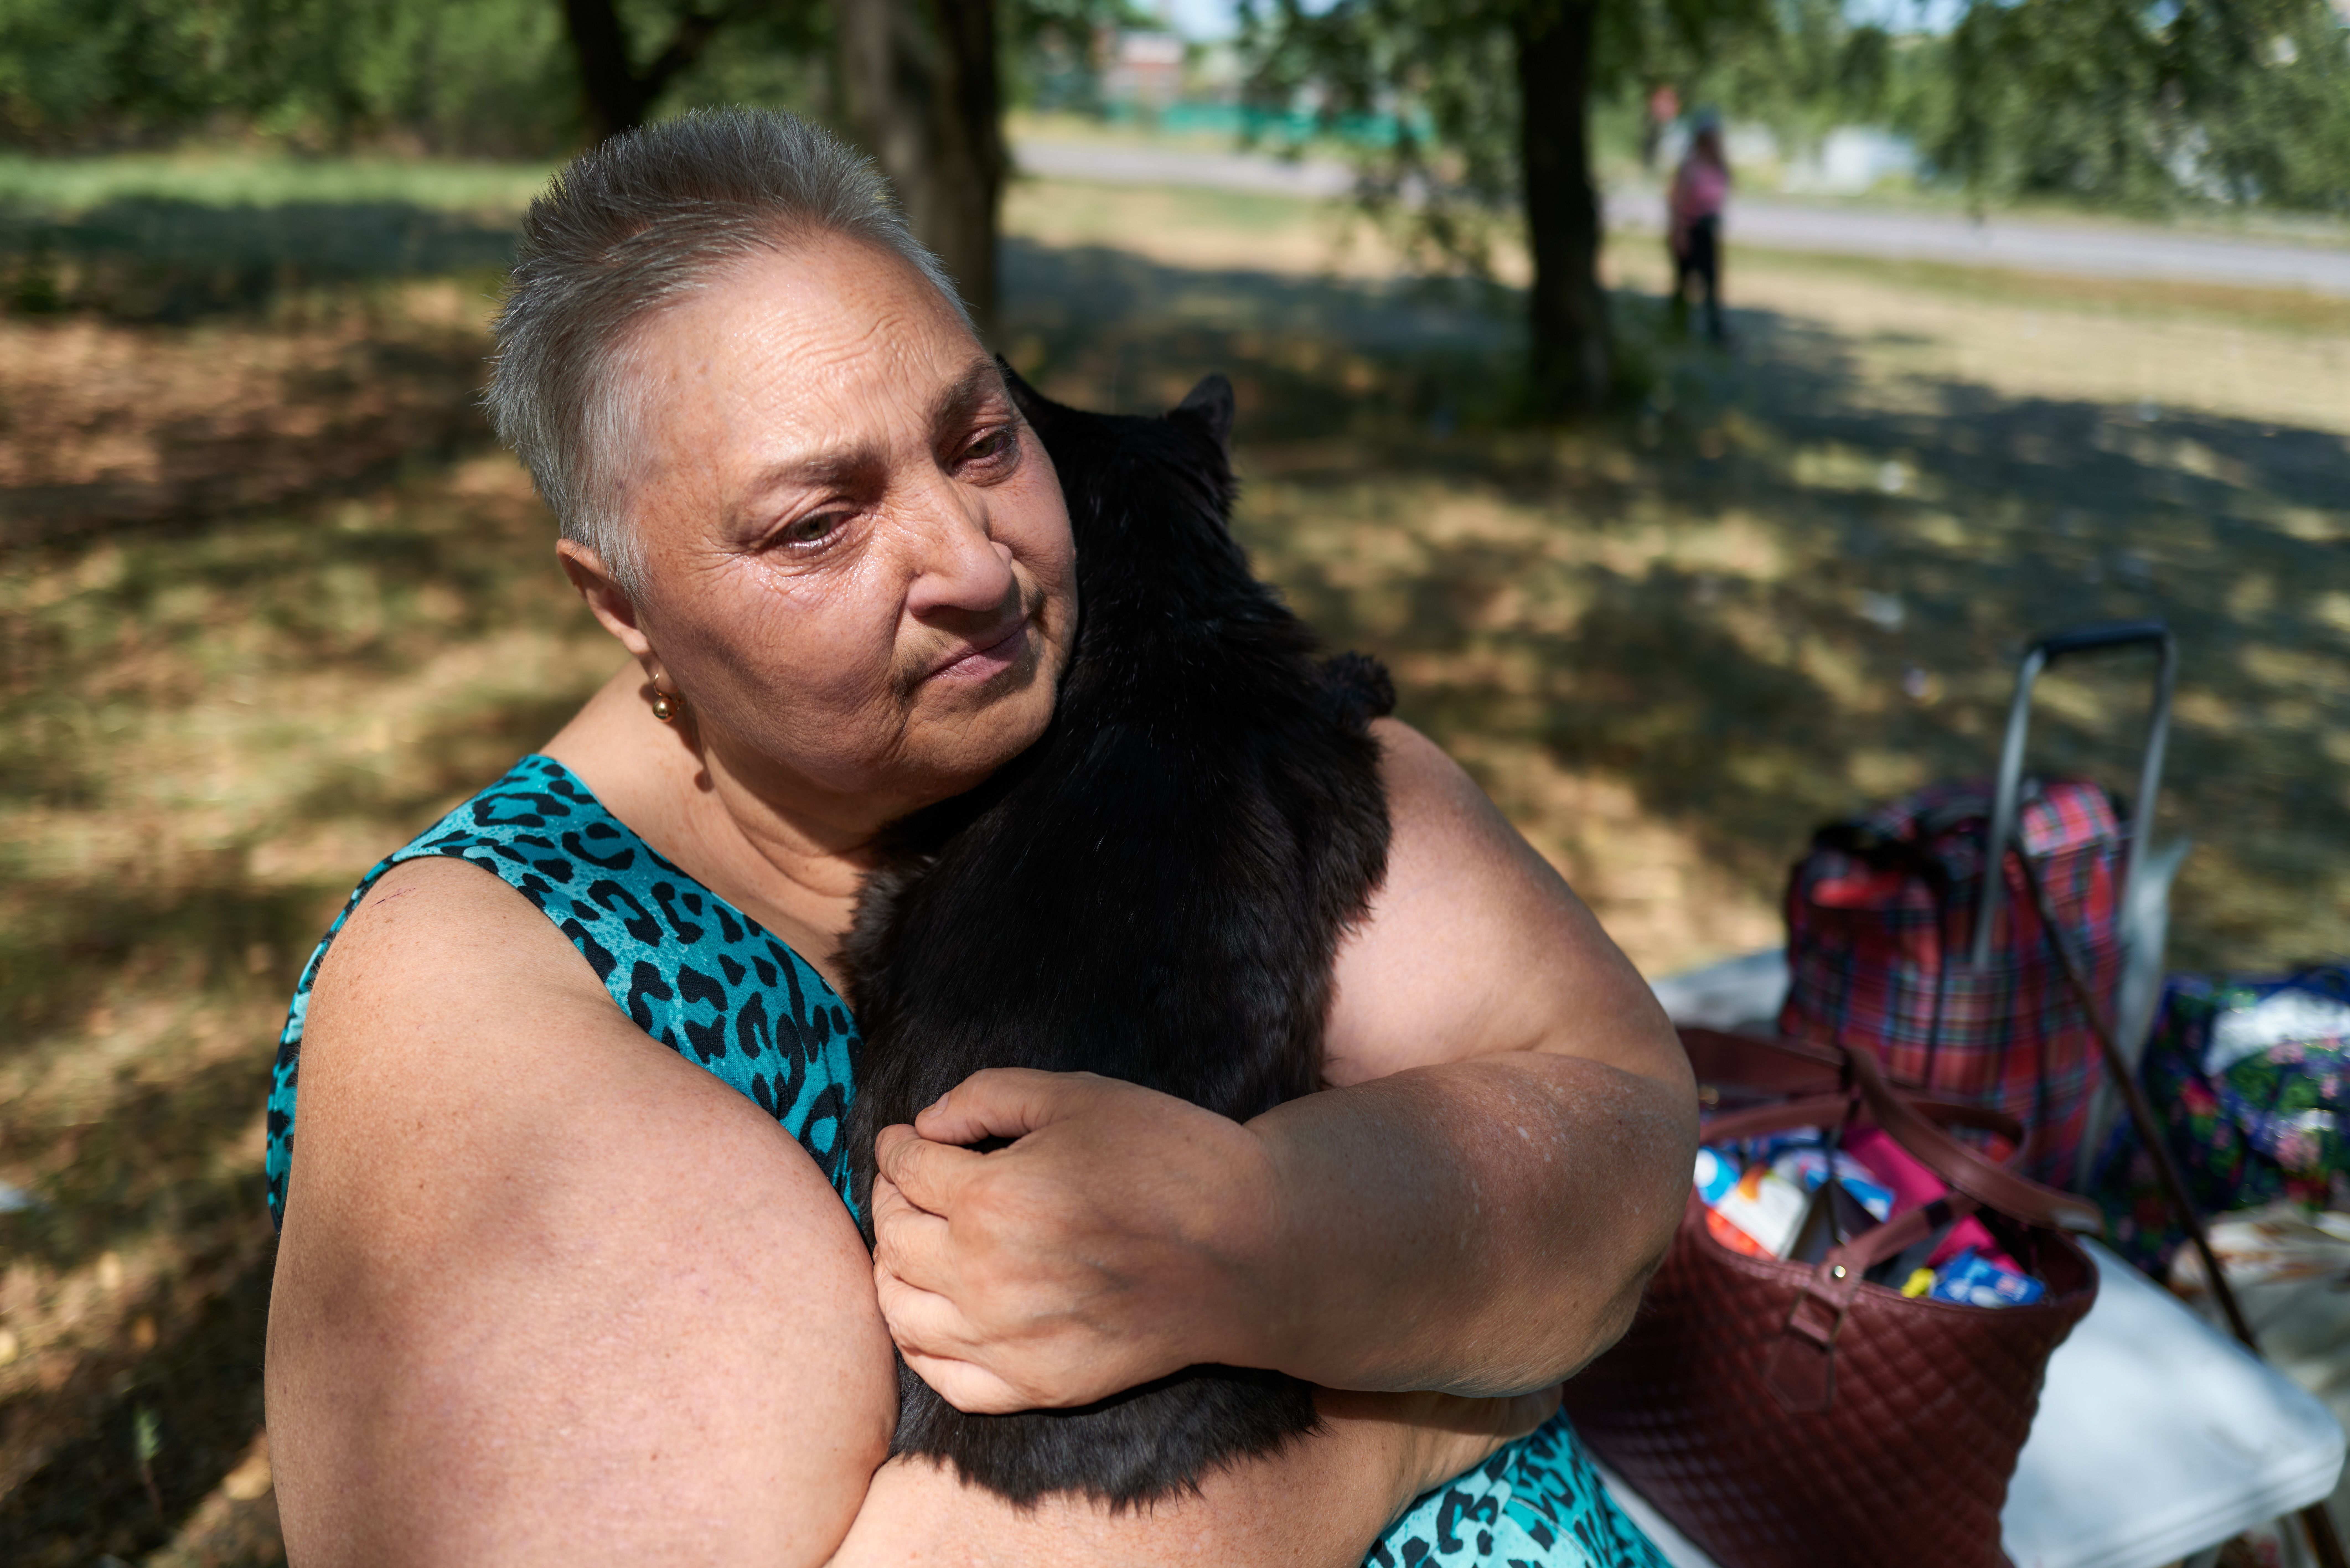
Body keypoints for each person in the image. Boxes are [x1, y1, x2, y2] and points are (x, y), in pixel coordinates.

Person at [260, 108, 1697, 1567]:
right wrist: (1424, 1403)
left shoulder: (1144, 704)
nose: (971, 564)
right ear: (622, 604)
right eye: (819, 523)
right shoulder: (494, 1002)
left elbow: (1622, 1137)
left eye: (980, 438)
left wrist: (1270, 1231)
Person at [1668, 112, 1732, 346]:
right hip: (1690, 227)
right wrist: (1680, 232)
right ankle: (1676, 330)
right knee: (1683, 282)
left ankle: (1716, 333)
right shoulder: (1690, 166)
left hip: (1709, 228)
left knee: (1712, 284)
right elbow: (1676, 201)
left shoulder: (1719, 165)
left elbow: (1722, 195)